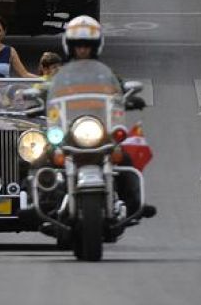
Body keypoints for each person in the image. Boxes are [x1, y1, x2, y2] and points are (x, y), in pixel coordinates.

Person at [59, 15, 153, 218]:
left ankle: (134, 204)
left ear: (95, 47)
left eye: (87, 45)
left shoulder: (107, 74)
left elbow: (121, 89)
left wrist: (130, 97)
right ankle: (36, 200)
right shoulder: (60, 75)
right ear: (70, 46)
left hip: (99, 129)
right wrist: (33, 96)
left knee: (123, 157)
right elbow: (45, 89)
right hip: (69, 131)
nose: (82, 49)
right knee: (43, 158)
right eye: (78, 45)